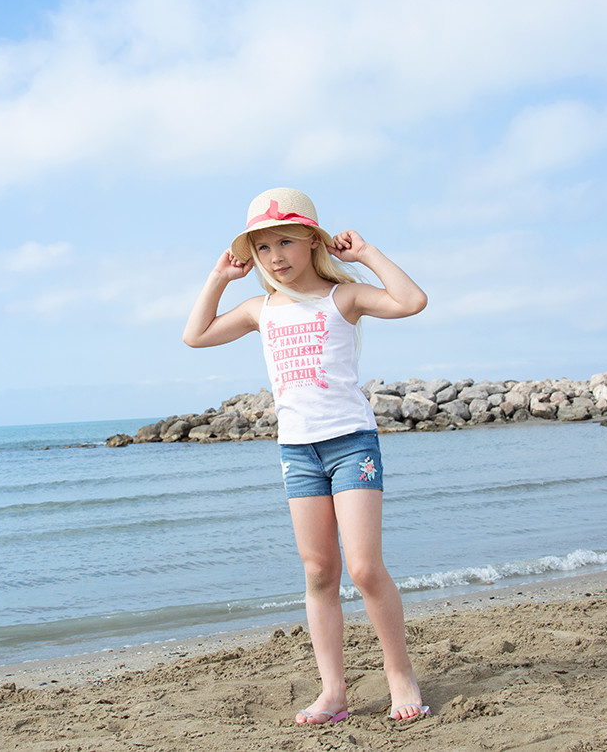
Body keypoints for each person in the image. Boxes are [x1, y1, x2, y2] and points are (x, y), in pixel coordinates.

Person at [183, 187, 429, 726]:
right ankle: (334, 690)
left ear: (313, 241)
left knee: (363, 569)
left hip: (351, 444)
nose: (276, 257)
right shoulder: (259, 309)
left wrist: (364, 254)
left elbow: (411, 301)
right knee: (319, 570)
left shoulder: (344, 297)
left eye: (287, 241)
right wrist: (219, 279)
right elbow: (194, 335)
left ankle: (399, 675)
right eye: (264, 246)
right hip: (297, 451)